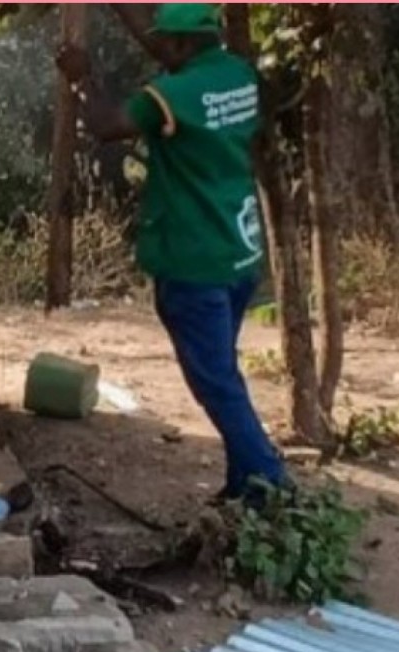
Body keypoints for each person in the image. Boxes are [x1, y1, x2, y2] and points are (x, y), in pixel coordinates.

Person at [56, 3, 288, 505]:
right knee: (223, 371)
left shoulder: (174, 93)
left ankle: (269, 485)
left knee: (215, 384)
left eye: (165, 42)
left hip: (193, 258)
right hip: (238, 250)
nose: (158, 48)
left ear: (183, 46)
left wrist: (82, 79)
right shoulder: (239, 75)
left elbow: (106, 125)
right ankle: (244, 481)